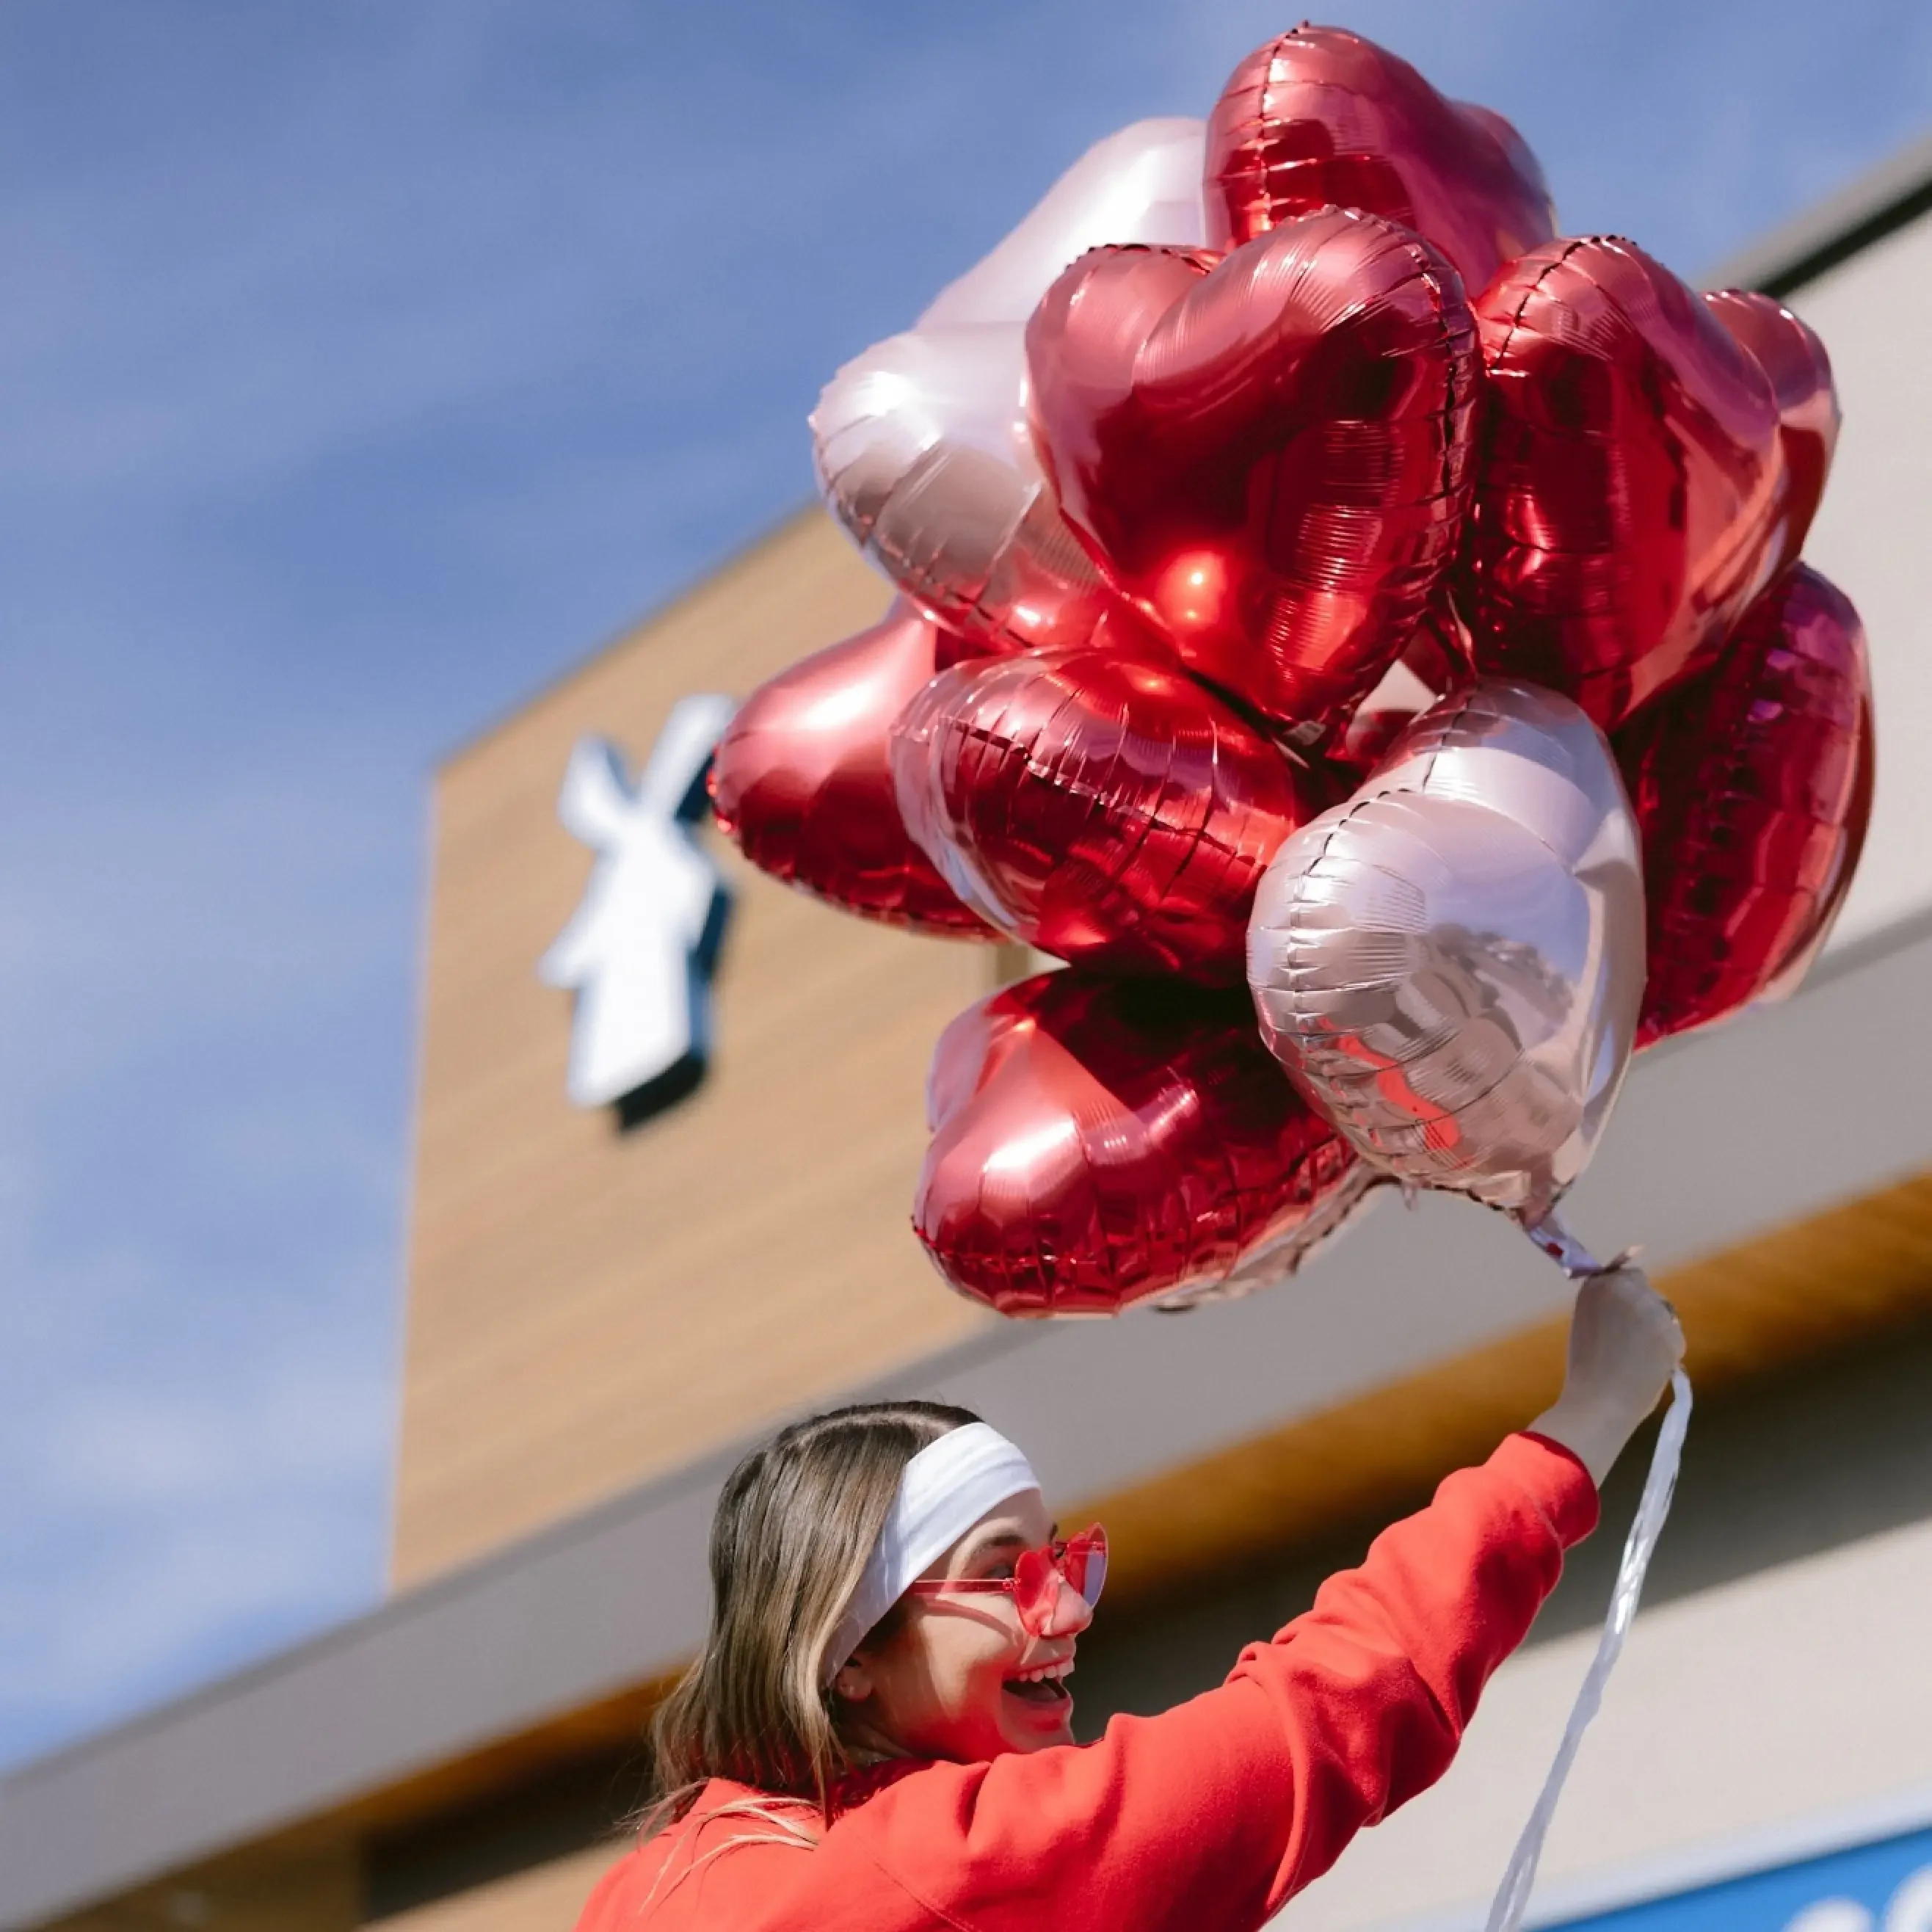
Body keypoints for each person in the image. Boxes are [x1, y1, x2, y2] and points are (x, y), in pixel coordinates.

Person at [576, 1266, 1685, 1932]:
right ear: (845, 1653)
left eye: (1063, 1560)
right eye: (1008, 1571)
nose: (1065, 1610)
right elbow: (1323, 1712)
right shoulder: (936, 1873)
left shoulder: (642, 1892)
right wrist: (1585, 1421)